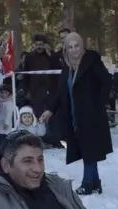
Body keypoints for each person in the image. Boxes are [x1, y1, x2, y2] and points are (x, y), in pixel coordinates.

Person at [40, 32, 113, 195]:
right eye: (70, 47)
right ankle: (95, 183)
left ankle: (88, 183)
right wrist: (50, 109)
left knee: (89, 147)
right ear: (66, 48)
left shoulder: (92, 61)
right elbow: (60, 92)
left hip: (90, 113)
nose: (74, 50)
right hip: (74, 113)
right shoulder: (67, 66)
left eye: (77, 46)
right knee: (87, 147)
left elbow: (107, 81)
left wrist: (99, 104)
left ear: (82, 45)